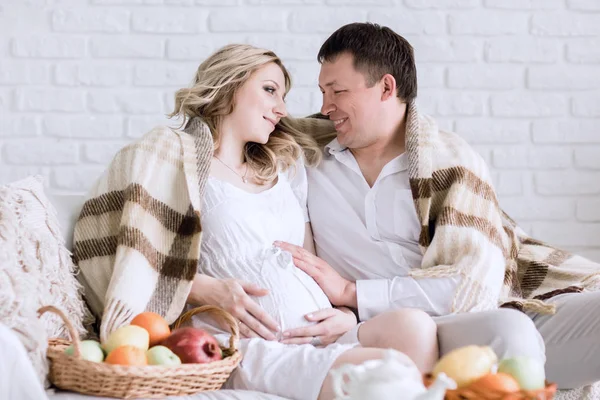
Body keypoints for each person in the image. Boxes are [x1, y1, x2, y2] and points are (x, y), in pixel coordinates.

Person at [73, 44, 437, 400]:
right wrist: (200, 287)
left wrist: (342, 313)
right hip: (244, 341)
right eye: (269, 91)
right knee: (380, 370)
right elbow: (131, 250)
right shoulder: (174, 159)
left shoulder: (285, 167)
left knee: (414, 327)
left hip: (317, 328)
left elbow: (309, 262)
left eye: (284, 96)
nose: (281, 109)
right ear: (229, 86)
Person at [275, 23, 600, 390]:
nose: (324, 106)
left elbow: (471, 288)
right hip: (407, 329)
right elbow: (232, 119)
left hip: (485, 308)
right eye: (322, 91)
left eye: (338, 91)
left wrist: (353, 293)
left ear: (386, 87)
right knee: (510, 333)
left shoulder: (450, 163)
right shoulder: (306, 152)